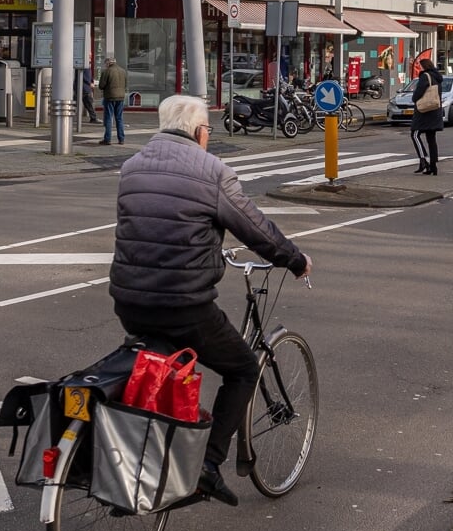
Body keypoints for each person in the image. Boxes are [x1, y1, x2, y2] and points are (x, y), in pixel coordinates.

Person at [110, 95, 313, 507]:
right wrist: (295, 260)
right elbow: (256, 229)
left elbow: (151, 226)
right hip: (183, 303)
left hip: (128, 300)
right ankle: (207, 466)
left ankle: (148, 453)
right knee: (241, 369)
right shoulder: (212, 172)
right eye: (209, 132)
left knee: (161, 366)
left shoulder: (131, 167)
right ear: (200, 132)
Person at [410, 50, 444, 175]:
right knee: (431, 139)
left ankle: (423, 159)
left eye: (420, 65)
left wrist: (414, 98)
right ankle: (433, 166)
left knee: (415, 134)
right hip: (435, 111)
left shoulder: (425, 76)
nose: (419, 67)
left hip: (425, 112)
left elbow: (419, 92)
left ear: (424, 66)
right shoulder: (437, 77)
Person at [98, 55, 128, 145]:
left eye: (105, 64)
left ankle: (107, 139)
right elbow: (125, 84)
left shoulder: (106, 71)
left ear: (108, 63)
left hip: (110, 97)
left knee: (108, 118)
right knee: (119, 118)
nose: (105, 65)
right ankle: (121, 139)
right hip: (121, 97)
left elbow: (101, 86)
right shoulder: (123, 71)